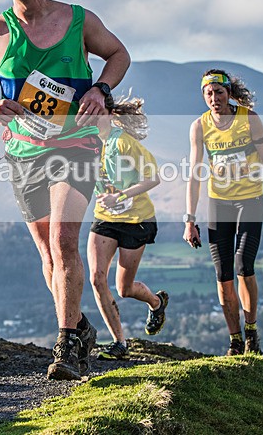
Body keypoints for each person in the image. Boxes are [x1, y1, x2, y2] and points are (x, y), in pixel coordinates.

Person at [0, 0, 130, 380]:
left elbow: (118, 54)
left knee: (62, 240)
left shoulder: (78, 21)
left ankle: (67, 349)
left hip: (76, 144)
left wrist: (100, 88)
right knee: (48, 256)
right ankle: (79, 325)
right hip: (23, 151)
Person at [183, 70, 263, 355]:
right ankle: (235, 341)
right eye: (209, 94)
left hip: (250, 201)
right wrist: (189, 220)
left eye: (219, 92)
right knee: (223, 275)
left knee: (243, 266)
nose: (214, 99)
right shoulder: (199, 127)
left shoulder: (248, 119)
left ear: (229, 93)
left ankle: (251, 331)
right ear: (203, 96)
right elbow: (194, 175)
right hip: (219, 204)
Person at [87, 96, 167, 361]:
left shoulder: (123, 142)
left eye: (98, 112)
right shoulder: (86, 141)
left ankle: (156, 303)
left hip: (136, 220)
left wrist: (119, 196)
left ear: (109, 114)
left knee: (124, 288)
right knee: (97, 279)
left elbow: (153, 177)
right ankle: (119, 342)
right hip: (105, 219)